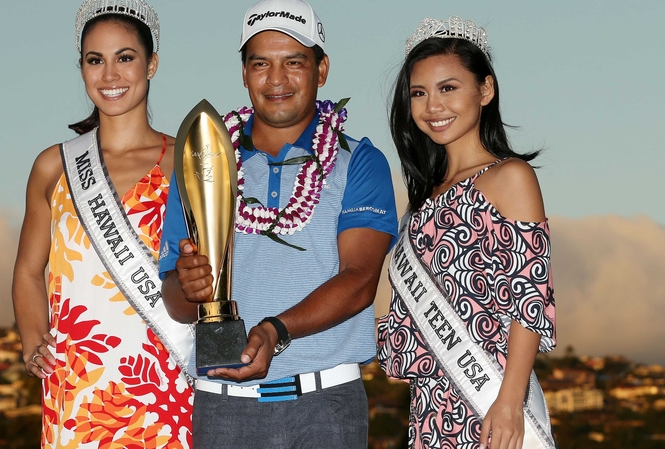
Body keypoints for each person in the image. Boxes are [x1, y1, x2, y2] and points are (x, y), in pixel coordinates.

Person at [158, 0, 397, 447]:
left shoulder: (359, 161)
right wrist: (188, 286)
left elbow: (361, 279)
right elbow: (176, 301)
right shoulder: (201, 161)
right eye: (261, 63)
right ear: (244, 73)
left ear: (321, 69)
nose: (277, 79)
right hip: (223, 408)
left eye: (294, 62)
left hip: (324, 407)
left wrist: (275, 330)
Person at [11, 1, 194, 447]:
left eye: (125, 57)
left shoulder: (188, 162)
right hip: (77, 389)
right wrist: (34, 341)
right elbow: (28, 271)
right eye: (96, 60)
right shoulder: (55, 166)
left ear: (151, 64)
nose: (110, 75)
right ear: (82, 69)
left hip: (164, 385)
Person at [377, 16, 558, 449]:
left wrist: (510, 403)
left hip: (491, 398)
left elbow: (529, 299)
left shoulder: (510, 178)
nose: (432, 106)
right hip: (430, 408)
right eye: (418, 93)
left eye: (448, 88)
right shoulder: (421, 200)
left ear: (486, 90)